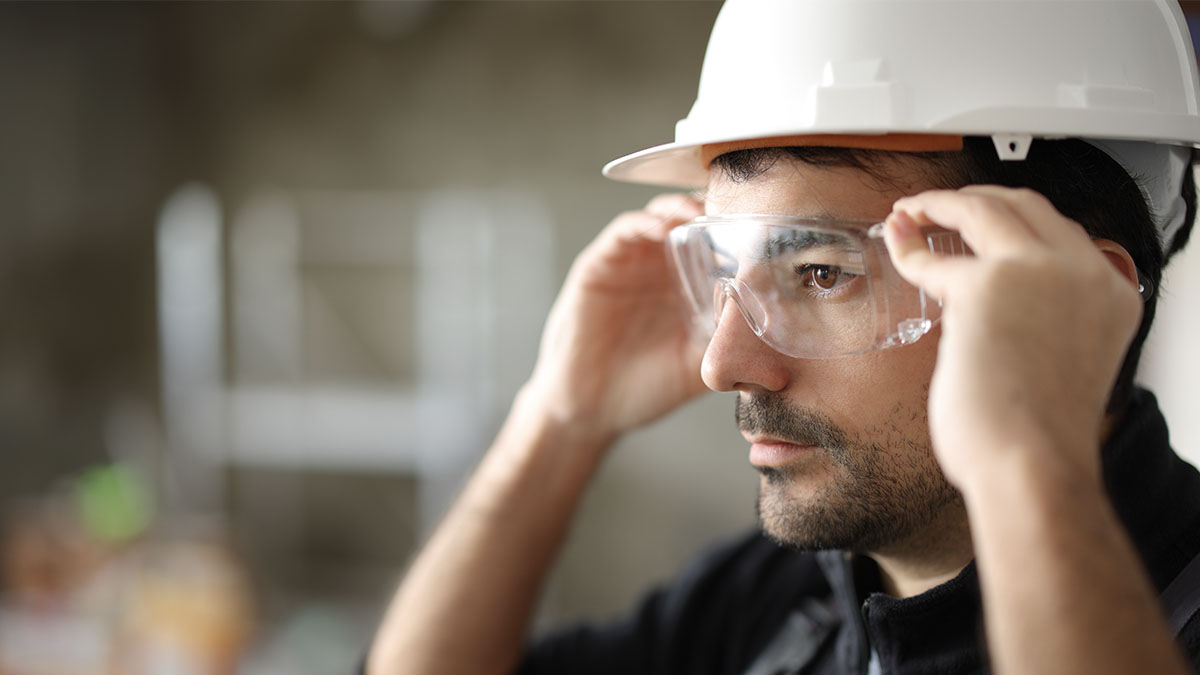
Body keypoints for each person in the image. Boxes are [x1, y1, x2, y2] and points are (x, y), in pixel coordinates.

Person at [366, 1, 1200, 673]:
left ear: (1086, 295)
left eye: (822, 273)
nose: (724, 362)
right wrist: (555, 420)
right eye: (723, 273)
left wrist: (1028, 462)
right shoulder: (773, 601)